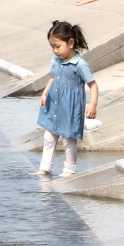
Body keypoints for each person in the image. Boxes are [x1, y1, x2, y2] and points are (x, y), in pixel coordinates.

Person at [36, 21, 97, 176]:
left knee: (68, 140)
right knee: (49, 137)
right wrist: (44, 93)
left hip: (70, 108)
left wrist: (92, 104)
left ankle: (69, 169)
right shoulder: (55, 60)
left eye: (58, 46)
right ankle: (45, 168)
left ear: (71, 43)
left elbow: (93, 85)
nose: (55, 51)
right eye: (52, 47)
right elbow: (53, 77)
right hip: (54, 105)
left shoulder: (80, 64)